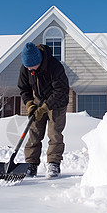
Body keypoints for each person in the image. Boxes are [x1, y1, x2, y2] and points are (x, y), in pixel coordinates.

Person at [18, 42, 69, 178]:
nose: (29, 70)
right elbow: (24, 89)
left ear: (39, 61)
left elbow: (61, 90)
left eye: (31, 66)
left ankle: (53, 163)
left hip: (58, 102)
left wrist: (46, 107)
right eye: (27, 67)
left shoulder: (55, 66)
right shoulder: (26, 68)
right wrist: (29, 104)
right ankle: (31, 164)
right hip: (38, 100)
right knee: (34, 131)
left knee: (54, 133)